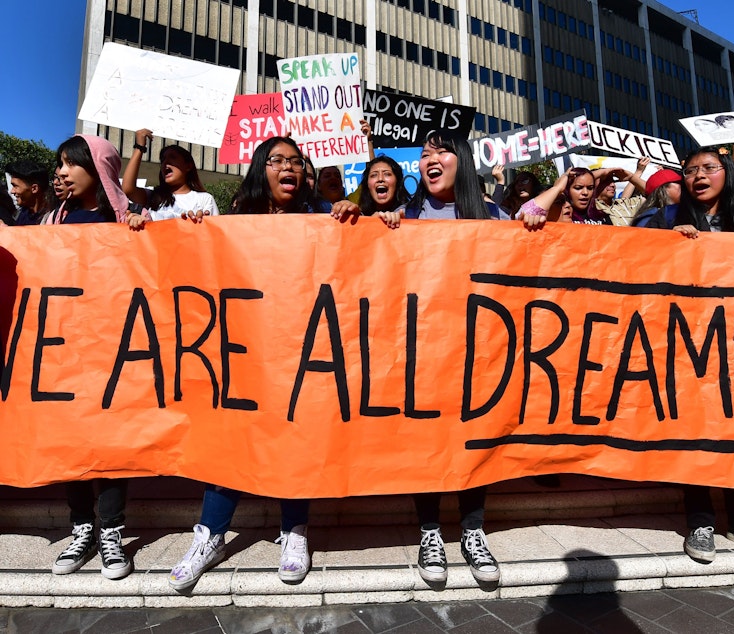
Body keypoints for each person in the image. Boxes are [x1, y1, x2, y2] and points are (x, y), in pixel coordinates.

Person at [340, 129, 505, 584]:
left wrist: (529, 223)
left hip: (477, 354)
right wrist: (359, 216)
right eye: (425, 152)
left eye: (441, 151)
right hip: (421, 353)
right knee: (425, 442)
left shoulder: (492, 216)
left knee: (474, 441)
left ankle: (473, 531)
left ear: (462, 161)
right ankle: (430, 531)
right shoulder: (404, 215)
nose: (430, 157)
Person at [167, 136, 327, 591]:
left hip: (298, 356)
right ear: (262, 169)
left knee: (294, 439)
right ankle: (210, 537)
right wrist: (195, 227)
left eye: (296, 161)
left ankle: (294, 532)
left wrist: (349, 221)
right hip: (242, 355)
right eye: (277, 160)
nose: (288, 167)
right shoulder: (233, 223)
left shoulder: (321, 221)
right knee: (230, 443)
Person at [645, 148, 734, 563]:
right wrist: (670, 246)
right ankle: (701, 521)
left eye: (709, 168)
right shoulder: (666, 220)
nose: (698, 176)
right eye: (690, 171)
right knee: (697, 434)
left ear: (727, 174)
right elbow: (635, 263)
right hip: (688, 346)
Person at [49, 134, 149, 580]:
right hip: (64, 350)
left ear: (99, 167)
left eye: (72, 164)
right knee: (72, 441)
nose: (62, 172)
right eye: (60, 165)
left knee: (110, 443)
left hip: (113, 349)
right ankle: (82, 527)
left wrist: (143, 234)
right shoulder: (50, 222)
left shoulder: (126, 221)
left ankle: (111, 531)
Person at [122, 129, 219, 221]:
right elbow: (128, 189)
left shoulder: (204, 199)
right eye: (163, 159)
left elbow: (215, 233)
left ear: (188, 166)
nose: (166, 162)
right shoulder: (153, 196)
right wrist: (140, 147)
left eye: (173, 157)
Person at [331, 156, 411, 217]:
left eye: (387, 174)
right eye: (374, 175)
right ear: (367, 185)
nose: (380, 179)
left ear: (397, 182)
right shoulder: (358, 217)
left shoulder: (413, 214)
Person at [595, 157, 650, 226]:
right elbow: (578, 180)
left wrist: (632, 177)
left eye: (612, 181)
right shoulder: (590, 207)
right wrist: (603, 172)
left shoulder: (624, 204)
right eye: (605, 181)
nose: (612, 184)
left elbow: (655, 193)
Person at [7, 160, 50, 225]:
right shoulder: (20, 214)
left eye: (15, 186)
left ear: (34, 188)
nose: (12, 191)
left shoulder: (52, 219)